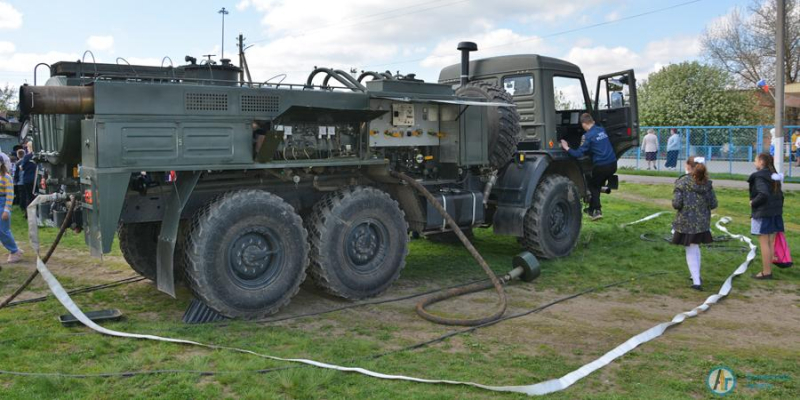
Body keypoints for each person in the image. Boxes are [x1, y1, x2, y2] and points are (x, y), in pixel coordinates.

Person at [671, 156, 717, 291]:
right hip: (702, 223)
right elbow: (713, 203)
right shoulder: (707, 183)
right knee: (695, 247)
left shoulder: (682, 182)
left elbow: (676, 204)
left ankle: (696, 281)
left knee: (691, 250)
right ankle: (695, 275)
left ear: (688, 167)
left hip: (686, 222)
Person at [560, 113, 617, 221]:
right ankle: (591, 210)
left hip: (602, 166)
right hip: (613, 164)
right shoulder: (601, 130)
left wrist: (566, 147)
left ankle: (597, 211)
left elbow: (577, 154)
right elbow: (597, 145)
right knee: (597, 184)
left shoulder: (587, 136)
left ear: (584, 124)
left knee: (593, 186)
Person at [748, 153, 784, 280]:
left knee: (764, 242)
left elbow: (763, 194)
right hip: (775, 213)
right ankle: (768, 269)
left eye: (755, 160)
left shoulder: (759, 176)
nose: (754, 162)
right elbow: (781, 196)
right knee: (770, 242)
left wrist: (753, 202)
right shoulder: (774, 176)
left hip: (764, 213)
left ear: (761, 162)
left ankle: (766, 272)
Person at [0, 160, 23, 264]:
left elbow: (10, 194)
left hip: (3, 203)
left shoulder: (6, 177)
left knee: (3, 231)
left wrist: (6, 210)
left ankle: (15, 251)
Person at [17, 142, 37, 216]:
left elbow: (22, 167)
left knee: (29, 196)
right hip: (36, 179)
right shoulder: (37, 156)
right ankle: (36, 213)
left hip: (27, 179)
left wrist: (20, 167)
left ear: (28, 147)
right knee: (35, 196)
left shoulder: (27, 157)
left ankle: (27, 214)